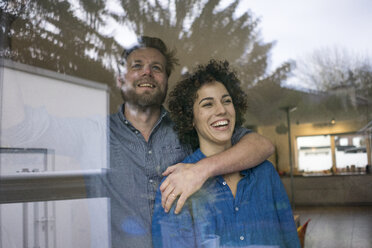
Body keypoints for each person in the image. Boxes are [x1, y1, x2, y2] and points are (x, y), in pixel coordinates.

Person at [2, 36, 274, 248]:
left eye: (156, 68)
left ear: (166, 81)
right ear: (121, 79)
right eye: (137, 66)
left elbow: (262, 146)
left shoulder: (188, 128)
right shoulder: (93, 132)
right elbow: (17, 129)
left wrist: (203, 169)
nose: (147, 73)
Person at [152, 60, 300, 248]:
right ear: (190, 119)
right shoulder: (176, 185)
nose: (221, 110)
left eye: (226, 101)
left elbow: (290, 240)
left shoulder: (266, 174)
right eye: (207, 104)